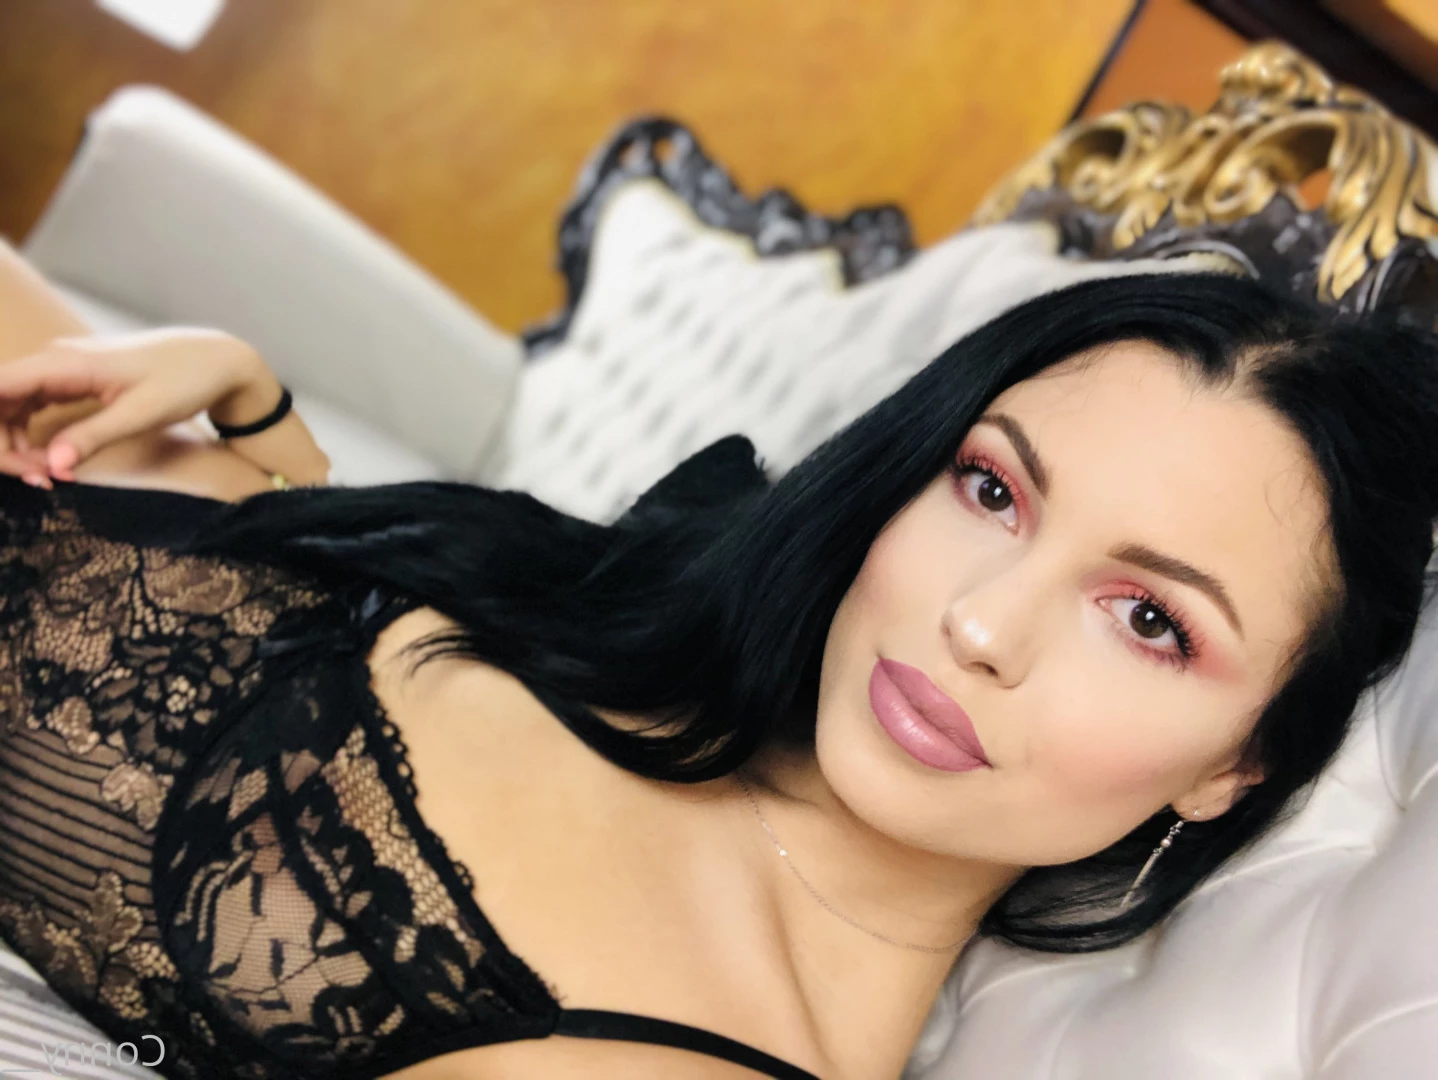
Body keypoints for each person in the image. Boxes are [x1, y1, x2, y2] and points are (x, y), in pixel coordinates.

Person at [0, 239, 1434, 1080]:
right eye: (992, 490)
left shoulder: (690, 1050)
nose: (982, 627)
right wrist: (261, 424)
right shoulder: (695, 640)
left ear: (1237, 767)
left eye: (1149, 621)